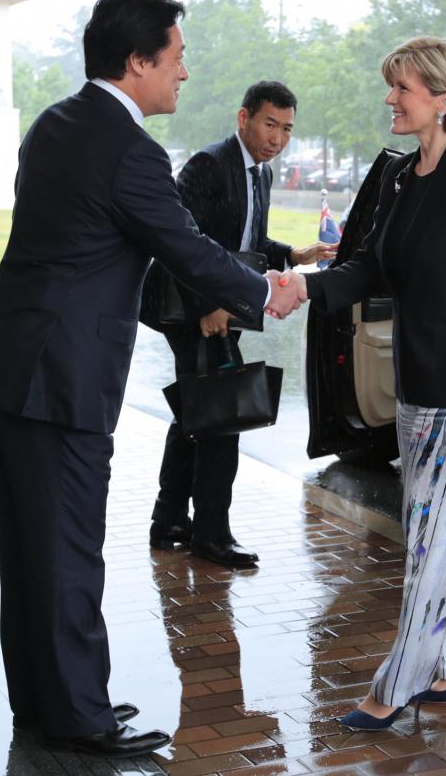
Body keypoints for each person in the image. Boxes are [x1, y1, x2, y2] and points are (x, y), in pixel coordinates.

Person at [0, 0, 301, 759]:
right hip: (63, 372)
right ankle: (81, 715)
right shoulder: (128, 147)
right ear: (137, 62)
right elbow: (182, 243)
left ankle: (45, 700)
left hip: (15, 361)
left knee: (31, 546)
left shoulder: (57, 122)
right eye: (174, 59)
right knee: (69, 547)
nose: (182, 73)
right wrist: (265, 292)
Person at [284, 36, 446, 730]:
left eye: (404, 87)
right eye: (392, 85)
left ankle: (399, 682)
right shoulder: (401, 178)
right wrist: (300, 286)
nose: (391, 98)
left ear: (445, 100)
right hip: (417, 387)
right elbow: (371, 268)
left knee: (429, 539)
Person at [142, 81, 336, 567]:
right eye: (270, 124)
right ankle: (211, 534)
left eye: (287, 129)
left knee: (198, 409)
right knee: (223, 416)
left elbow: (246, 238)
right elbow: (182, 242)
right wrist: (211, 304)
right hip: (188, 305)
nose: (277, 137)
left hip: (220, 304)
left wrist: (293, 253)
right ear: (243, 117)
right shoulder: (209, 164)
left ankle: (168, 520)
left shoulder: (262, 174)